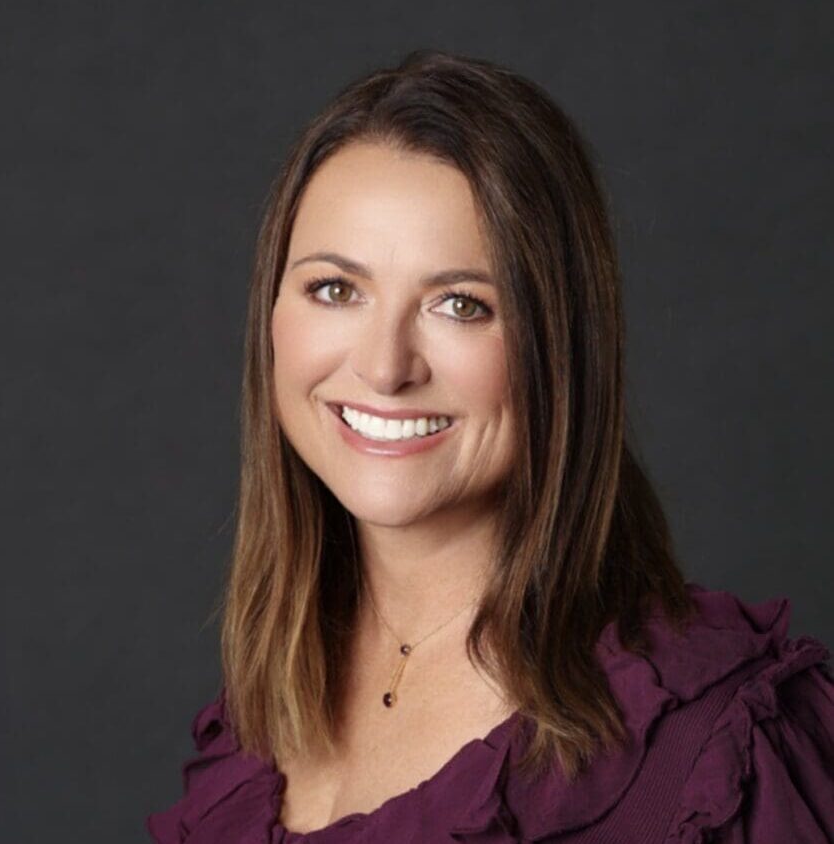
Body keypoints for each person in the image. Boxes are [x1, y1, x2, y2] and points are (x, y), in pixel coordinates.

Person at [146, 49, 833, 843]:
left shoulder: (717, 750)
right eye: (335, 289)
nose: (383, 366)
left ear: (560, 347)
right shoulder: (259, 713)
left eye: (460, 305)